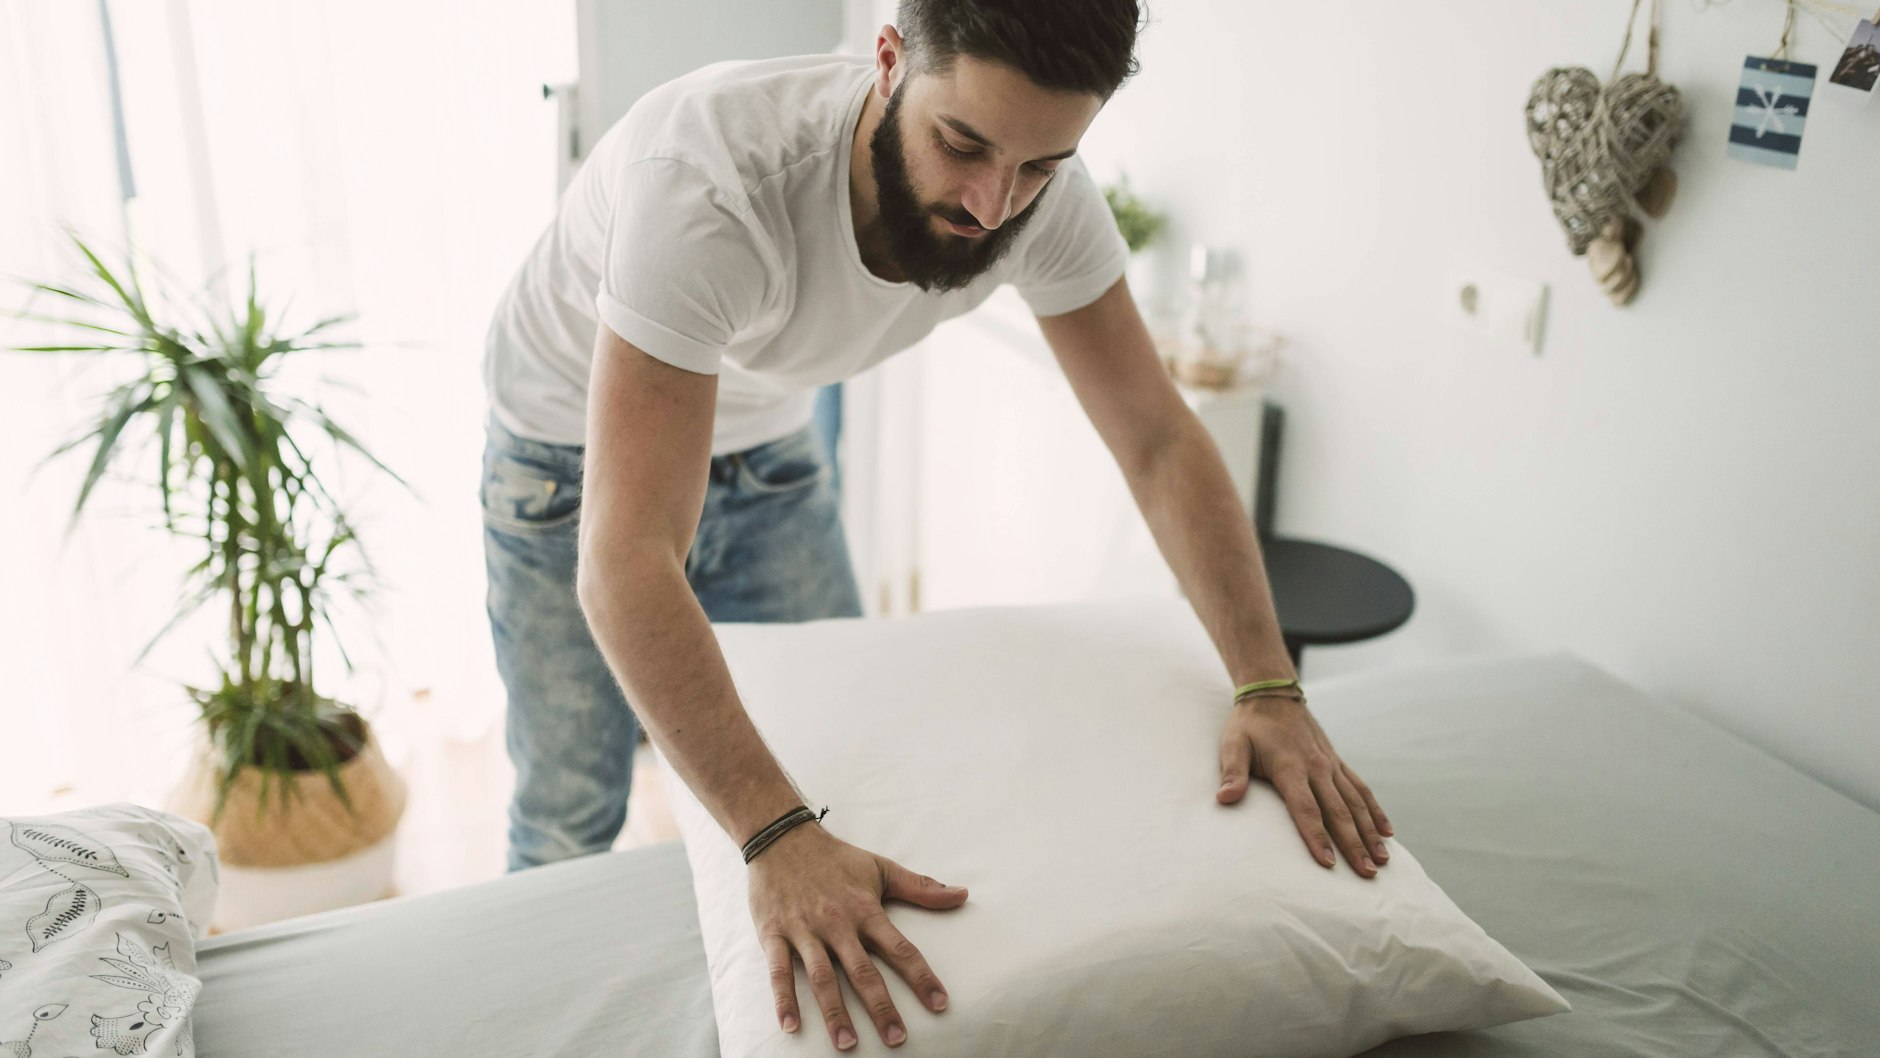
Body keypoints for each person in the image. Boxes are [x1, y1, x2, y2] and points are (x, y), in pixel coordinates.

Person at [479, 0, 1393, 1051]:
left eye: (1039, 165)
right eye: (961, 144)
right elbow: (626, 557)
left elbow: (1156, 438)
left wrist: (1268, 685)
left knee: (830, 765)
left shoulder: (1043, 201)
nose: (992, 205)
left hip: (768, 444)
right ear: (887, 61)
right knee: (570, 808)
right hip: (562, 453)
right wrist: (773, 836)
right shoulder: (710, 178)